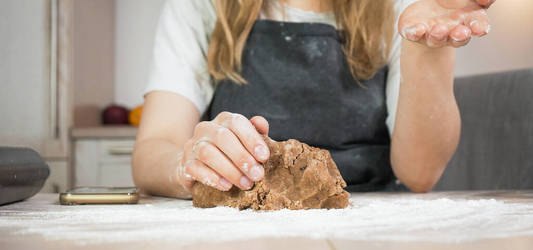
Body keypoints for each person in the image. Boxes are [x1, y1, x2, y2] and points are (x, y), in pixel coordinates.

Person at [132, 0, 495, 198]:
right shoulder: (202, 6)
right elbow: (153, 149)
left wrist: (428, 46)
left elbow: (420, 174)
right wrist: (189, 164)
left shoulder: (405, 8)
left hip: (373, 223)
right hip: (238, 226)